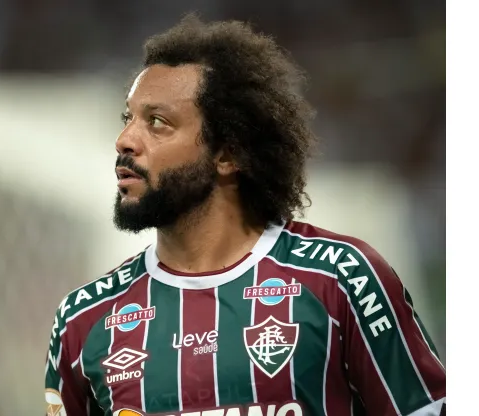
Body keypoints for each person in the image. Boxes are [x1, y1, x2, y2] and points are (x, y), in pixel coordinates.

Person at [44, 15, 445, 416]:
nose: (125, 140)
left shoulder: (341, 279)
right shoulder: (83, 321)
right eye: (127, 118)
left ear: (227, 154)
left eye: (158, 122)